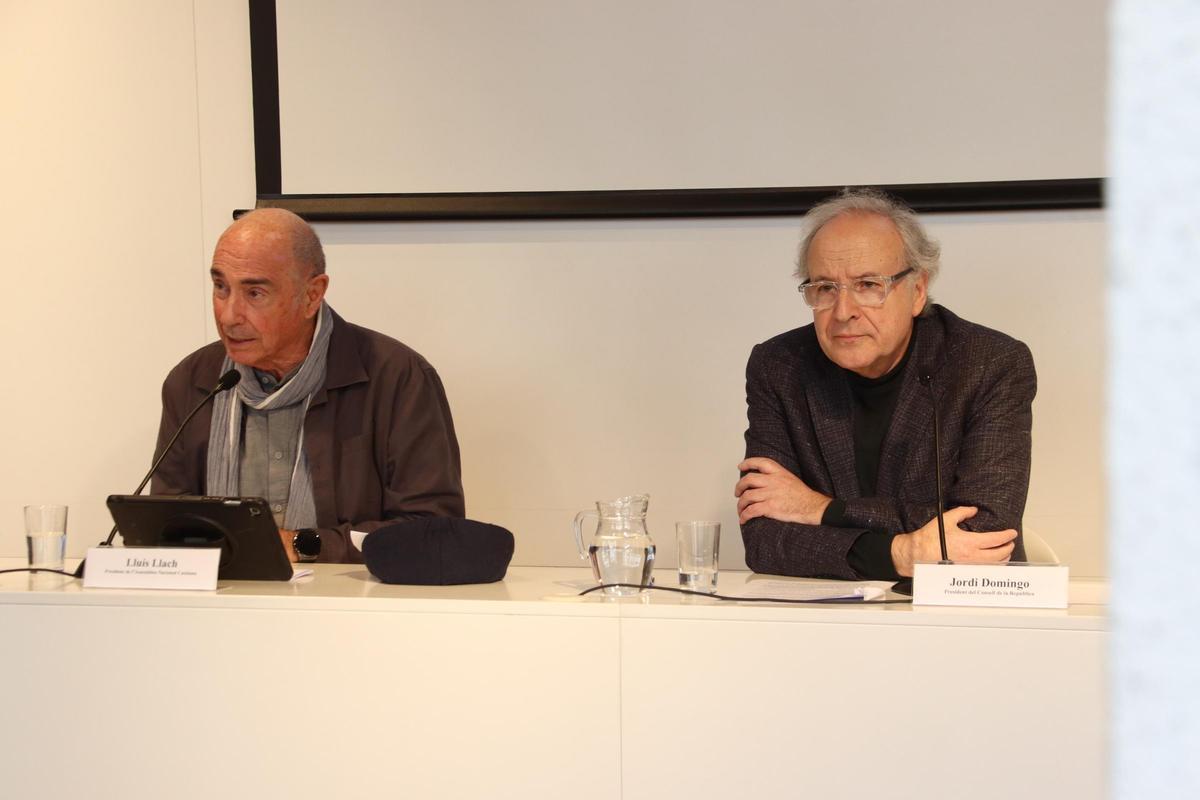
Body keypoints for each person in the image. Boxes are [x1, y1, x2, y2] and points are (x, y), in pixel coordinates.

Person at [734, 188, 1034, 580]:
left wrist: (822, 510)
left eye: (868, 286)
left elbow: (984, 530)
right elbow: (766, 540)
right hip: (823, 614)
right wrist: (901, 553)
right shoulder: (780, 367)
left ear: (918, 291)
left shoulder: (988, 363)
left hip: (966, 613)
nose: (843, 312)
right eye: (825, 288)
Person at [150, 208, 464, 563]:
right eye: (221, 287)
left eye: (254, 293)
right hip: (222, 605)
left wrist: (305, 544)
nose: (228, 315)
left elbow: (432, 530)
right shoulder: (194, 381)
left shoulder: (396, 377)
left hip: (352, 607)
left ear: (313, 295)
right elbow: (168, 523)